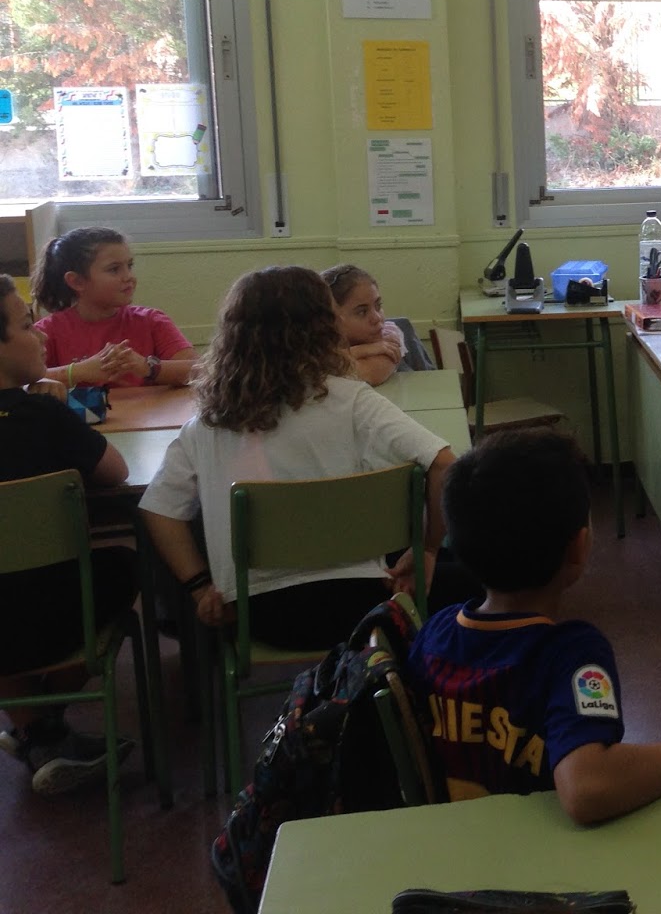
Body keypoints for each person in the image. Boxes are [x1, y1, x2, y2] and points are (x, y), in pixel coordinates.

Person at [138, 265, 469, 650]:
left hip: (258, 615)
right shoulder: (351, 401)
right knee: (487, 573)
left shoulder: (207, 424)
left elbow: (159, 509)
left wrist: (199, 587)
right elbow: (444, 465)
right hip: (365, 603)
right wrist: (427, 549)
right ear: (323, 327)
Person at [410, 427, 661, 823]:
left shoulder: (434, 633)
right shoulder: (571, 654)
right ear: (578, 546)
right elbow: (588, 787)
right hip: (540, 854)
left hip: (452, 842)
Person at [0, 273, 140, 795]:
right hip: (51, 616)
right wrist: (56, 408)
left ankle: (31, 729)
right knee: (121, 567)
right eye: (25, 325)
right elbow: (117, 473)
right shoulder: (42, 415)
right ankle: (46, 727)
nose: (39, 335)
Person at [31, 226, 197, 389]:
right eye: (114, 269)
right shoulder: (46, 332)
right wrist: (79, 371)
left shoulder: (151, 321)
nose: (129, 277)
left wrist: (147, 367)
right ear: (77, 281)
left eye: (129, 266)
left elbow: (199, 371)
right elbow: (19, 382)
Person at [321, 264, 431, 386]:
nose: (377, 318)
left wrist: (343, 355)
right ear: (331, 319)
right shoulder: (318, 344)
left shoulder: (389, 334)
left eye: (378, 306)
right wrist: (363, 350)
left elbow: (370, 374)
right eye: (362, 312)